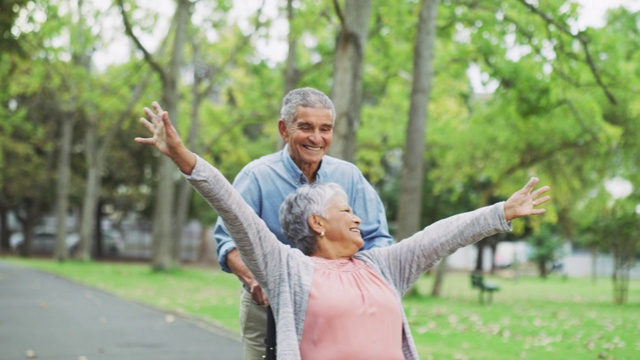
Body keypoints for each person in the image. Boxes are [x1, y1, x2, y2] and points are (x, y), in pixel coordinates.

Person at [135, 102, 551, 360]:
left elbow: (441, 235)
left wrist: (503, 212)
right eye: (346, 211)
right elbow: (234, 213)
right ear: (317, 223)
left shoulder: (381, 262)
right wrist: (183, 157)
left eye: (326, 129)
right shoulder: (289, 269)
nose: (359, 220)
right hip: (267, 304)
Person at [212, 87, 393, 358]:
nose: (317, 138)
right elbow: (228, 241)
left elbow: (378, 239)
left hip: (338, 309)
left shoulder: (349, 176)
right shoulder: (257, 176)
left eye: (325, 128)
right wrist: (256, 280)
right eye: (306, 127)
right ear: (284, 130)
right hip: (270, 309)